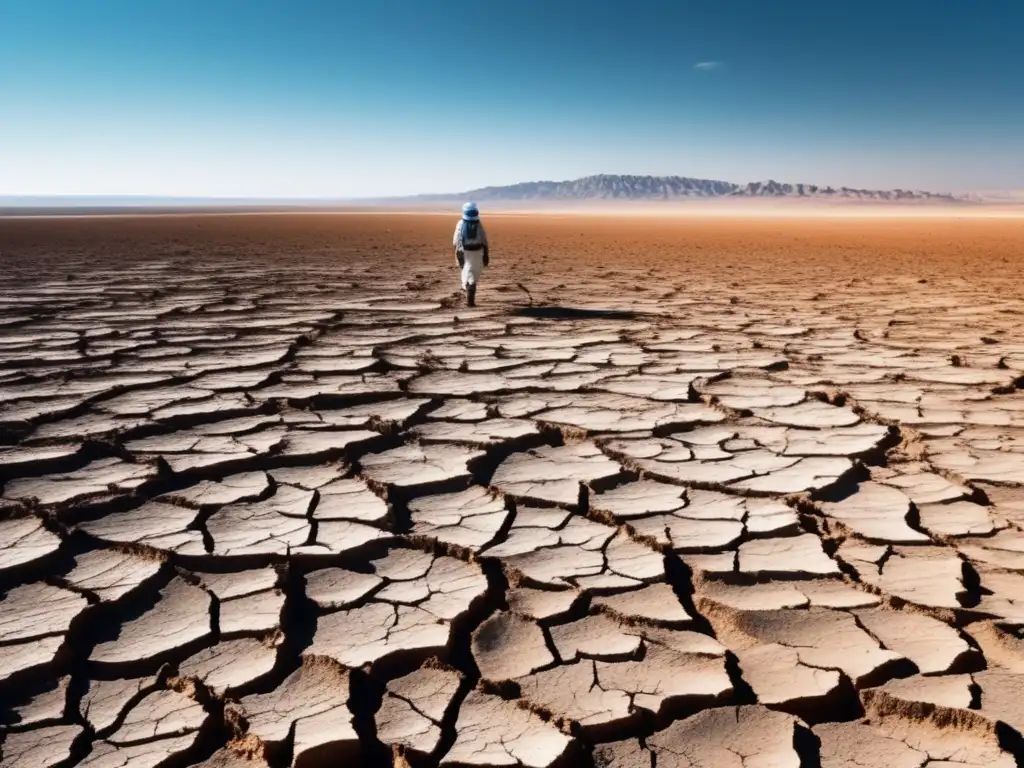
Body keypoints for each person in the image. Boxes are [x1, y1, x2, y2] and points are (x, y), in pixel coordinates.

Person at [452, 201, 489, 307]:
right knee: (473, 274)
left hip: (464, 252)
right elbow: (484, 240)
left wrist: (458, 253)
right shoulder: (479, 224)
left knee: (466, 272)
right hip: (478, 252)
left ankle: (468, 290)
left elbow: (456, 241)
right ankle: (470, 296)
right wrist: (486, 254)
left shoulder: (460, 224)